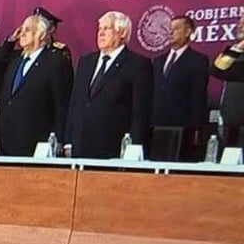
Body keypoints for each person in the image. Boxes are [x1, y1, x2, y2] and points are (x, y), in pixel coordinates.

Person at [65, 11, 153, 158]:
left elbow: (140, 111)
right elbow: (75, 102)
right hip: (80, 145)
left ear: (123, 33)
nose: (101, 33)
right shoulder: (85, 62)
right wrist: (68, 140)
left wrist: (134, 147)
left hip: (113, 147)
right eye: (100, 29)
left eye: (107, 29)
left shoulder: (137, 64)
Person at [0, 15, 73, 156]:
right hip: (7, 140)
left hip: (37, 142)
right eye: (22, 29)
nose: (21, 33)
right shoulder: (15, 62)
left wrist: (58, 137)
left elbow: (61, 104)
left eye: (27, 30)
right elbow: (4, 100)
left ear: (40, 35)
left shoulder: (55, 62)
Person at [151, 15, 209, 161]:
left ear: (188, 32)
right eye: (169, 29)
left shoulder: (198, 60)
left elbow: (198, 97)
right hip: (155, 126)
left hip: (182, 128)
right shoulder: (157, 62)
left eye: (176, 29)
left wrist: (195, 128)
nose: (171, 32)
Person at [211, 14, 244, 149]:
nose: (239, 26)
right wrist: (238, 48)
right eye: (240, 22)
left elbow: (234, 72)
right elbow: (216, 70)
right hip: (230, 122)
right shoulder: (232, 50)